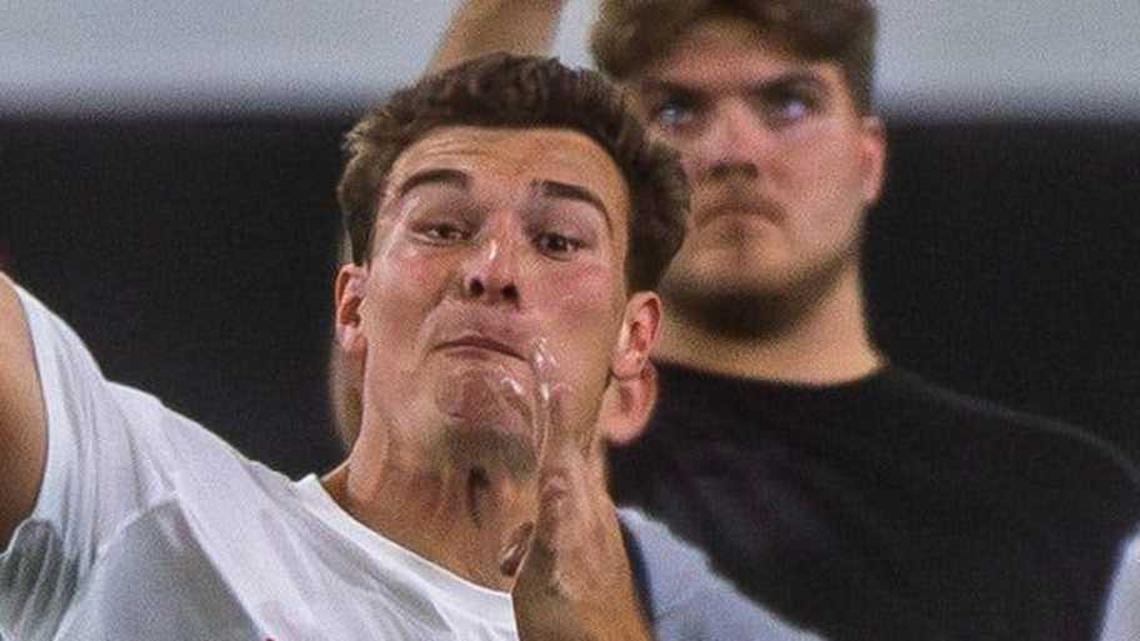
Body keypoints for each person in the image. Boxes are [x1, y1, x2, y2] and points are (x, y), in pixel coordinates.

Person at [0, 54, 821, 641]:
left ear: (634, 346)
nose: (492, 270)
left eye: (559, 240)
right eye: (441, 227)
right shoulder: (147, 505)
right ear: (354, 308)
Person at [431, 2, 1140, 640]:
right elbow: (414, 348)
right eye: (677, 112)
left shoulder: (1072, 504)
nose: (734, 153)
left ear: (869, 158)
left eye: (789, 104)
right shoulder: (549, 451)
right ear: (615, 177)